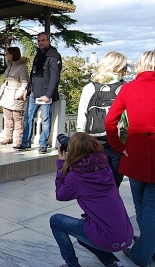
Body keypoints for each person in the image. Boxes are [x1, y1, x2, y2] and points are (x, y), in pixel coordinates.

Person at [50, 132, 132, 267]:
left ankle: (72, 264)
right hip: (125, 236)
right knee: (83, 233)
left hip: (108, 238)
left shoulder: (76, 177)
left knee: (56, 221)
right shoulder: (106, 168)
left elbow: (60, 195)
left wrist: (61, 165)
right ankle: (112, 262)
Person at [105, 50, 155, 266]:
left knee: (140, 202)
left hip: (134, 153)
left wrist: (118, 146)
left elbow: (110, 122)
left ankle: (143, 251)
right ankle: (147, 248)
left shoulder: (128, 88)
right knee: (151, 205)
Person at [76, 52, 127, 187]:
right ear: (116, 68)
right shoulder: (125, 88)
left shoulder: (89, 88)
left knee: (95, 185)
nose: (126, 71)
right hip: (117, 144)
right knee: (114, 186)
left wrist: (80, 143)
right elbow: (128, 120)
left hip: (93, 144)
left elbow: (82, 117)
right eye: (124, 68)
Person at [14, 32, 62, 153]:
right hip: (33, 93)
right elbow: (33, 74)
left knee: (45, 120)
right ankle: (25, 142)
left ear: (48, 41)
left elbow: (55, 77)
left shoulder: (53, 56)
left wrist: (48, 95)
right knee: (28, 118)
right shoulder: (39, 54)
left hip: (45, 94)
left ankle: (43, 144)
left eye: (43, 40)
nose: (41, 43)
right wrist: (27, 89)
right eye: (39, 41)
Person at [0, 47, 29, 146]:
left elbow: (25, 82)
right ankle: (8, 137)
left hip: (15, 96)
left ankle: (19, 140)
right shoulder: (10, 65)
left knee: (17, 119)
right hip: (6, 95)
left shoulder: (21, 67)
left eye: (8, 53)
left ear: (13, 54)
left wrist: (18, 95)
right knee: (8, 118)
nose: (6, 55)